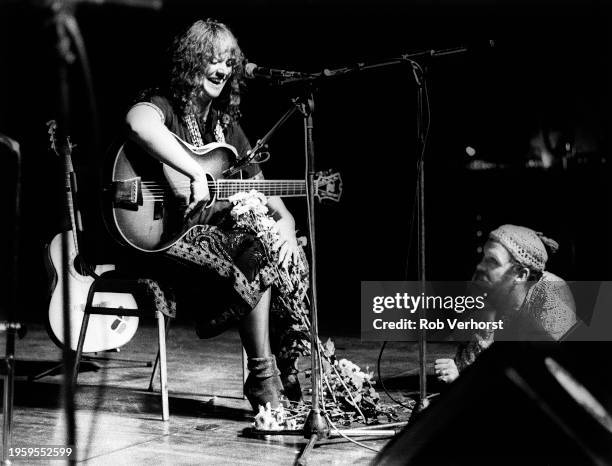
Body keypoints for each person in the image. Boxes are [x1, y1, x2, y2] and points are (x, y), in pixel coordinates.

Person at [122, 19, 302, 412]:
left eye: (227, 62)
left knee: (279, 248)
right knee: (252, 250)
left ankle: (280, 364)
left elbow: (268, 194)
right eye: (212, 60)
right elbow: (137, 124)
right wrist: (193, 170)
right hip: (157, 237)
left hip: (209, 246)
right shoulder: (165, 104)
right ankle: (263, 374)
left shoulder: (228, 128)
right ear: (191, 62)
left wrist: (286, 225)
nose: (221, 70)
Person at [435, 224, 576, 383]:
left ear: (521, 275)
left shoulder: (552, 295)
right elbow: (466, 364)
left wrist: (466, 379)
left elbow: (537, 381)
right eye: (483, 258)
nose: (480, 266)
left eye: (493, 261)